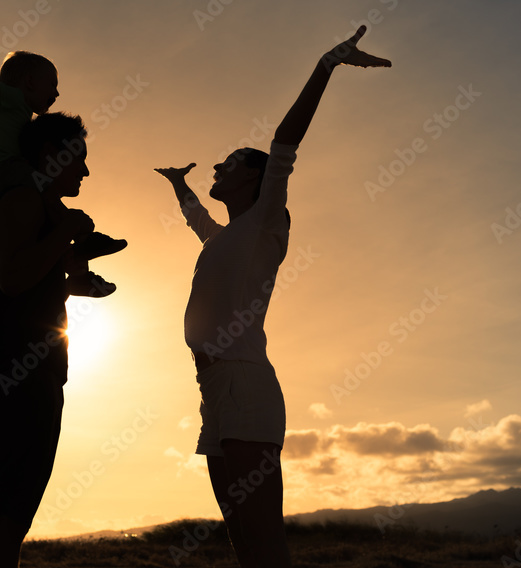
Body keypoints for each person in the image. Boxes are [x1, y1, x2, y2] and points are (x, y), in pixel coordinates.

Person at [155, 26, 390, 567]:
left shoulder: (266, 223)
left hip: (245, 382)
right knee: (243, 544)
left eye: (231, 161)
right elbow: (198, 221)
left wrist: (326, 65)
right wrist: (178, 186)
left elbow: (285, 143)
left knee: (264, 543)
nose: (217, 166)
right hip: (214, 387)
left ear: (257, 178)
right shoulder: (225, 235)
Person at [0, 111, 95, 568]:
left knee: (13, 515)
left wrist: (76, 279)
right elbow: (13, 278)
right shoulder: (22, 200)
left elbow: (32, 282)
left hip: (33, 378)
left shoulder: (40, 208)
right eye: (78, 159)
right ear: (49, 154)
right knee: (8, 515)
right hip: (15, 380)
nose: (84, 171)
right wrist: (66, 233)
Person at [0, 43, 124, 296]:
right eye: (52, 85)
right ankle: (81, 240)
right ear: (29, 82)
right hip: (5, 168)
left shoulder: (16, 115)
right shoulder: (14, 99)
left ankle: (78, 267)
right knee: (46, 192)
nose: (57, 94)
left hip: (1, 172)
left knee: (47, 201)